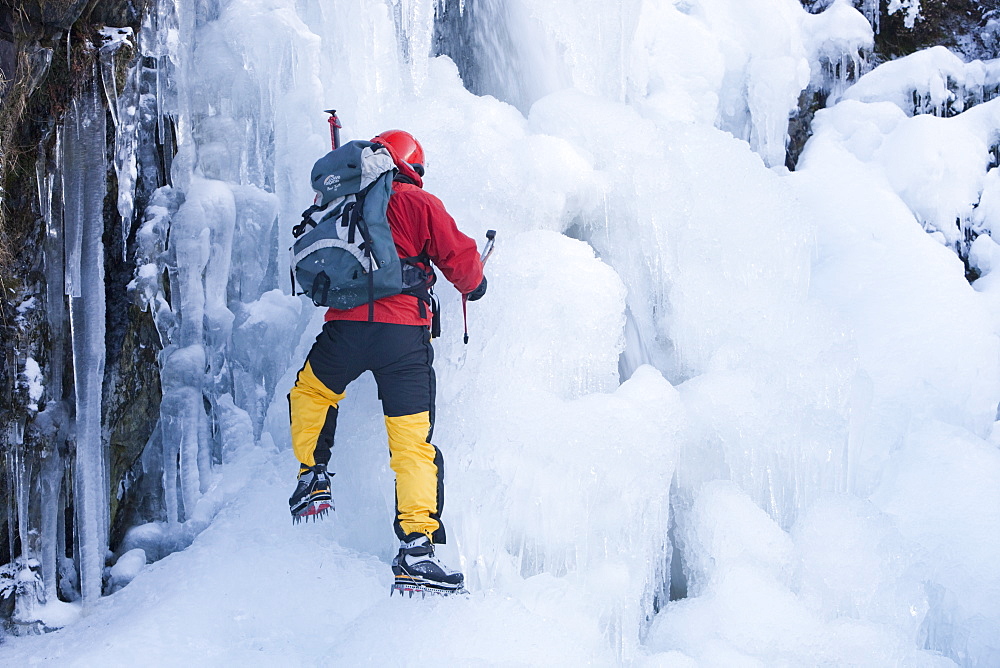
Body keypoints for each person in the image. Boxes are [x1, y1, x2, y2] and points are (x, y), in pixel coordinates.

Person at [287, 129, 486, 595]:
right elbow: (461, 261)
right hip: (402, 338)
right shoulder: (419, 203)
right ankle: (417, 550)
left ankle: (312, 476)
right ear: (411, 166)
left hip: (346, 329)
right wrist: (475, 287)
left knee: (312, 392)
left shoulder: (345, 204)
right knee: (411, 443)